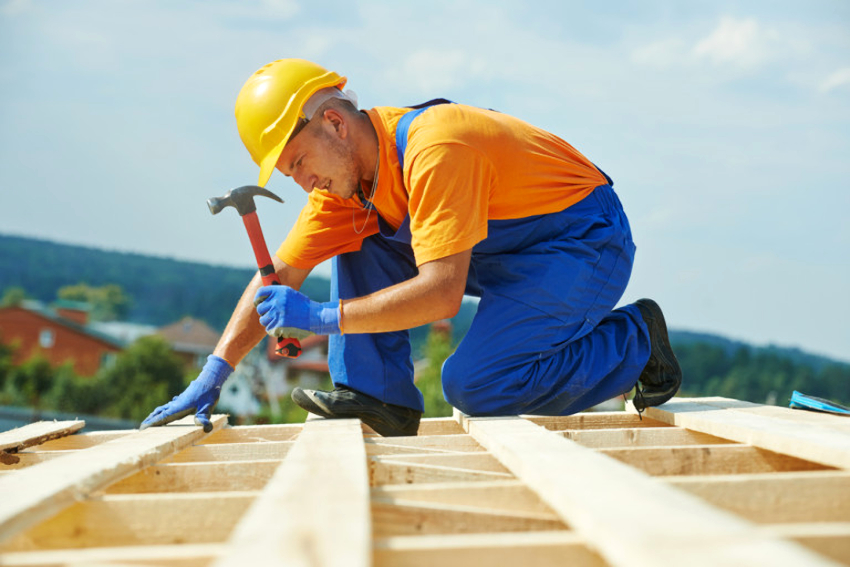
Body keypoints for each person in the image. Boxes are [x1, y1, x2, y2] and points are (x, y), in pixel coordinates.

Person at [141, 58, 682, 436]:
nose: (303, 183)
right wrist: (215, 371)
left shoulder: (437, 148)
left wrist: (323, 316)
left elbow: (442, 294)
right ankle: (379, 397)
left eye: (300, 164)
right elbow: (278, 276)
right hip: (501, 248)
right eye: (289, 175)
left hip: (581, 241)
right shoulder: (345, 185)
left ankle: (637, 342)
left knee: (477, 386)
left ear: (334, 124)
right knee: (361, 233)